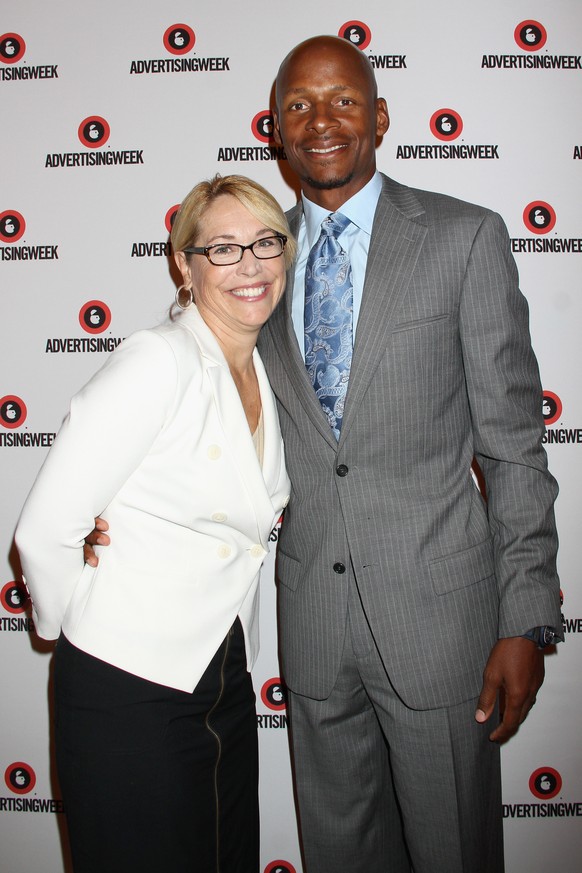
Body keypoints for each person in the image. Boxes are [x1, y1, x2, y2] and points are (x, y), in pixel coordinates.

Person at [255, 35, 561, 873]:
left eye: (344, 100)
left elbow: (512, 447)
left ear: (380, 117)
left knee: (452, 852)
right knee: (340, 853)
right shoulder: (253, 261)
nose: (321, 121)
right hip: (315, 623)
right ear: (275, 129)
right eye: (298, 105)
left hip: (442, 621)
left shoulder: (464, 239)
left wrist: (524, 617)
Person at [15, 174, 295, 873]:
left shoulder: (263, 371)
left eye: (266, 242)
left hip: (223, 675)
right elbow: (45, 528)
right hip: (126, 686)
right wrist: (71, 625)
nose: (250, 265)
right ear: (185, 263)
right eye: (223, 248)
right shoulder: (157, 360)